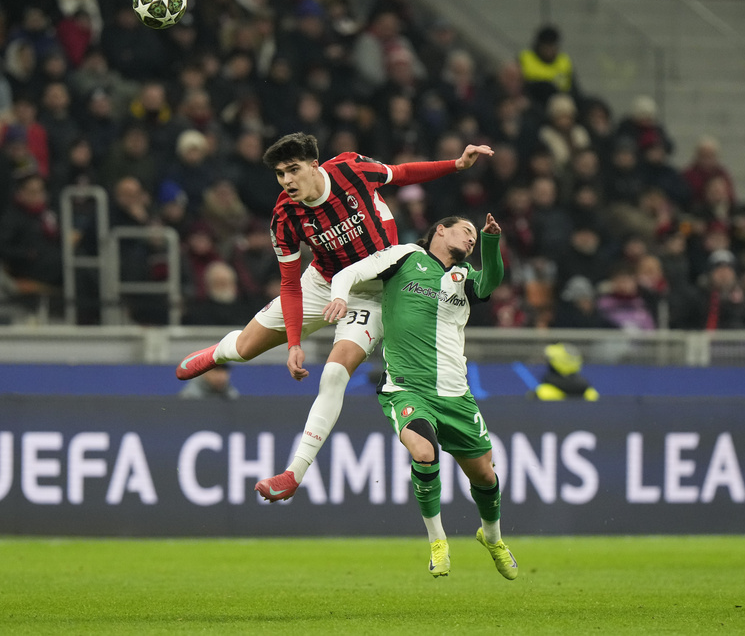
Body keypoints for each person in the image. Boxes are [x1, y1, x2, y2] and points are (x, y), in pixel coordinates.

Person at [175, 132, 494, 501]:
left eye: (293, 170)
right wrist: (294, 343)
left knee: (333, 374)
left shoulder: (350, 170)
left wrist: (455, 164)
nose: (287, 181)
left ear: (314, 165)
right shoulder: (284, 215)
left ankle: (292, 474)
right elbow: (290, 285)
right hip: (321, 284)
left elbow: (402, 172)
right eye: (280, 174)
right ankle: (217, 353)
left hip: (374, 292)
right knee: (245, 348)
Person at [322, 213, 517, 580]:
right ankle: (437, 541)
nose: (471, 238)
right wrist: (339, 298)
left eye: (475, 237)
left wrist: (491, 242)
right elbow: (348, 273)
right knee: (424, 453)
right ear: (440, 229)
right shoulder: (405, 256)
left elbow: (491, 280)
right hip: (408, 386)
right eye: (467, 231)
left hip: (456, 394)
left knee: (486, 477)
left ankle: (492, 538)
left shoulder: (464, 279)